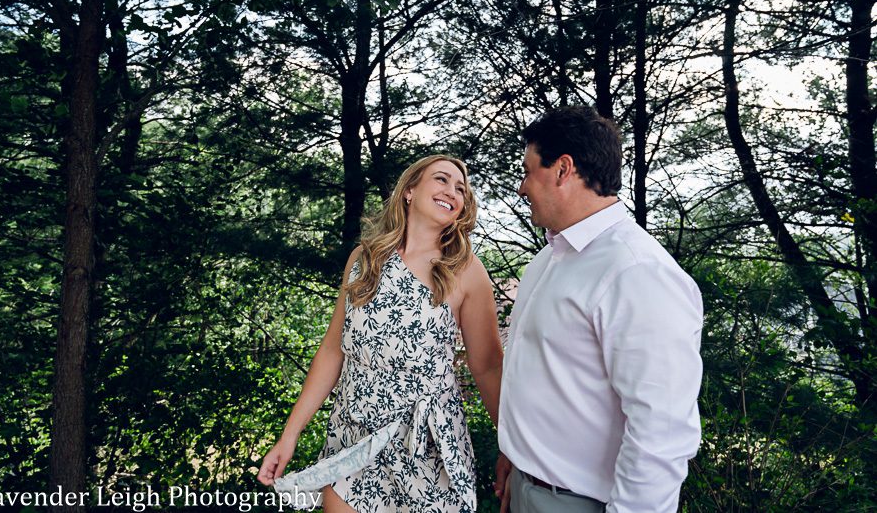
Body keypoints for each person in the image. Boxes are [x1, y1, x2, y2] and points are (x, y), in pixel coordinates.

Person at [257, 155, 503, 513]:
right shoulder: (365, 258)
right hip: (354, 436)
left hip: (428, 445)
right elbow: (332, 350)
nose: (453, 191)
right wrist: (289, 435)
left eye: (461, 189)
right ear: (410, 190)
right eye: (441, 179)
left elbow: (488, 367)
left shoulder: (464, 269)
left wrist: (511, 448)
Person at [494, 106, 703, 513]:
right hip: (525, 487)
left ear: (562, 169)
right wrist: (515, 455)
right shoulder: (549, 259)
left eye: (528, 170)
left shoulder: (636, 271)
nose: (522, 187)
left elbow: (660, 433)